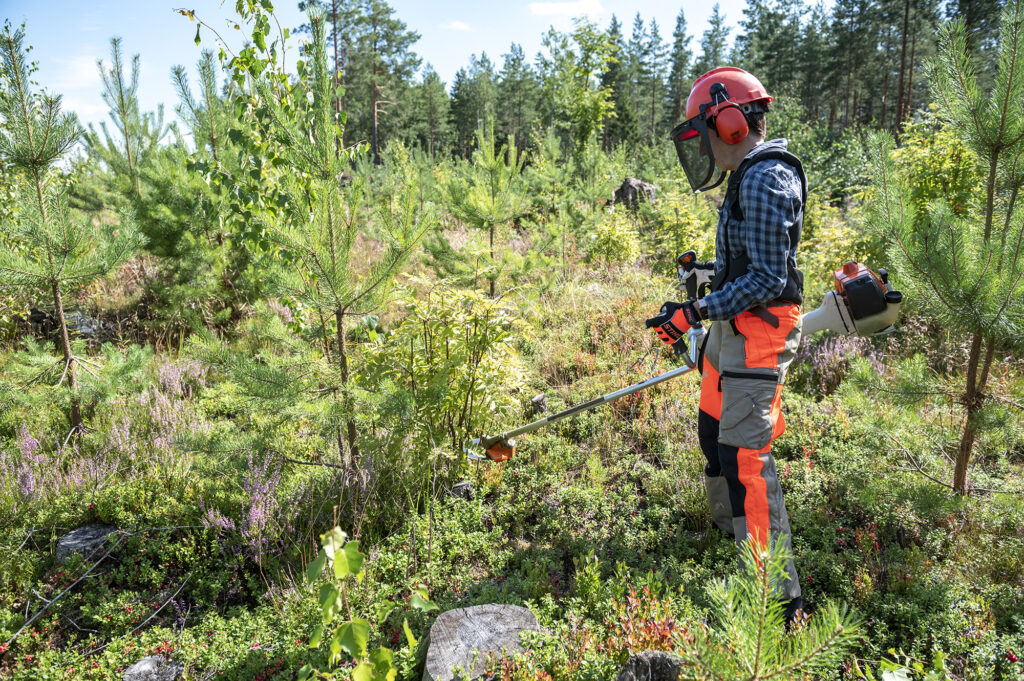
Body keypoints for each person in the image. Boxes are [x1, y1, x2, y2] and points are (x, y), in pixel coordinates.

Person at [646, 66, 806, 622]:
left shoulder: (764, 179)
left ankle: (775, 600)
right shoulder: (748, 176)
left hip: (756, 333)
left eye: (703, 133)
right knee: (712, 430)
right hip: (732, 330)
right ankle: (727, 534)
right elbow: (748, 261)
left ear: (732, 123)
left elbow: (767, 277)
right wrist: (706, 284)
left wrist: (695, 311)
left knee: (746, 462)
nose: (702, 148)